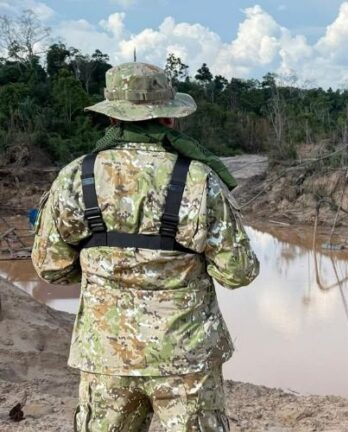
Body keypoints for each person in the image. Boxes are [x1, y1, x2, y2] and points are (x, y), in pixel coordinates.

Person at [31, 62, 259, 431]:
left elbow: (50, 267)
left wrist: (103, 264)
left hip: (106, 354)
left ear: (112, 118)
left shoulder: (76, 176)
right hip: (185, 358)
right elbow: (239, 272)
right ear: (167, 118)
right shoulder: (200, 178)